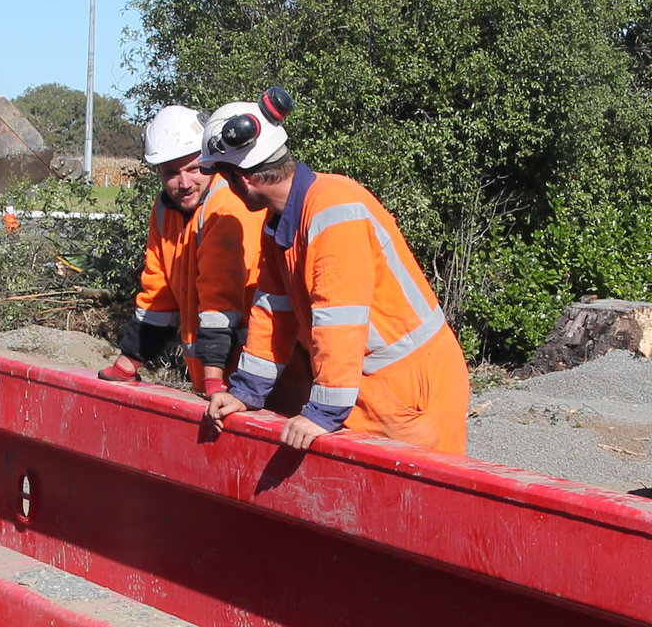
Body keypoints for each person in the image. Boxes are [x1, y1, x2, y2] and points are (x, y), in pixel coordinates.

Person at [200, 91, 469, 455]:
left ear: (242, 181)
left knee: (417, 504)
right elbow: (272, 315)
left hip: (409, 385)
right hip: (372, 383)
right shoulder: (280, 223)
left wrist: (322, 412)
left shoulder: (333, 209)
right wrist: (245, 393)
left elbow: (339, 319)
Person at [98, 104, 268, 394]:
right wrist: (131, 359)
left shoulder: (227, 204)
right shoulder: (165, 210)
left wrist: (216, 381)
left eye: (194, 169)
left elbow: (220, 297)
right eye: (171, 173)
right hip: (215, 376)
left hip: (256, 375)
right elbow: (158, 291)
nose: (184, 183)